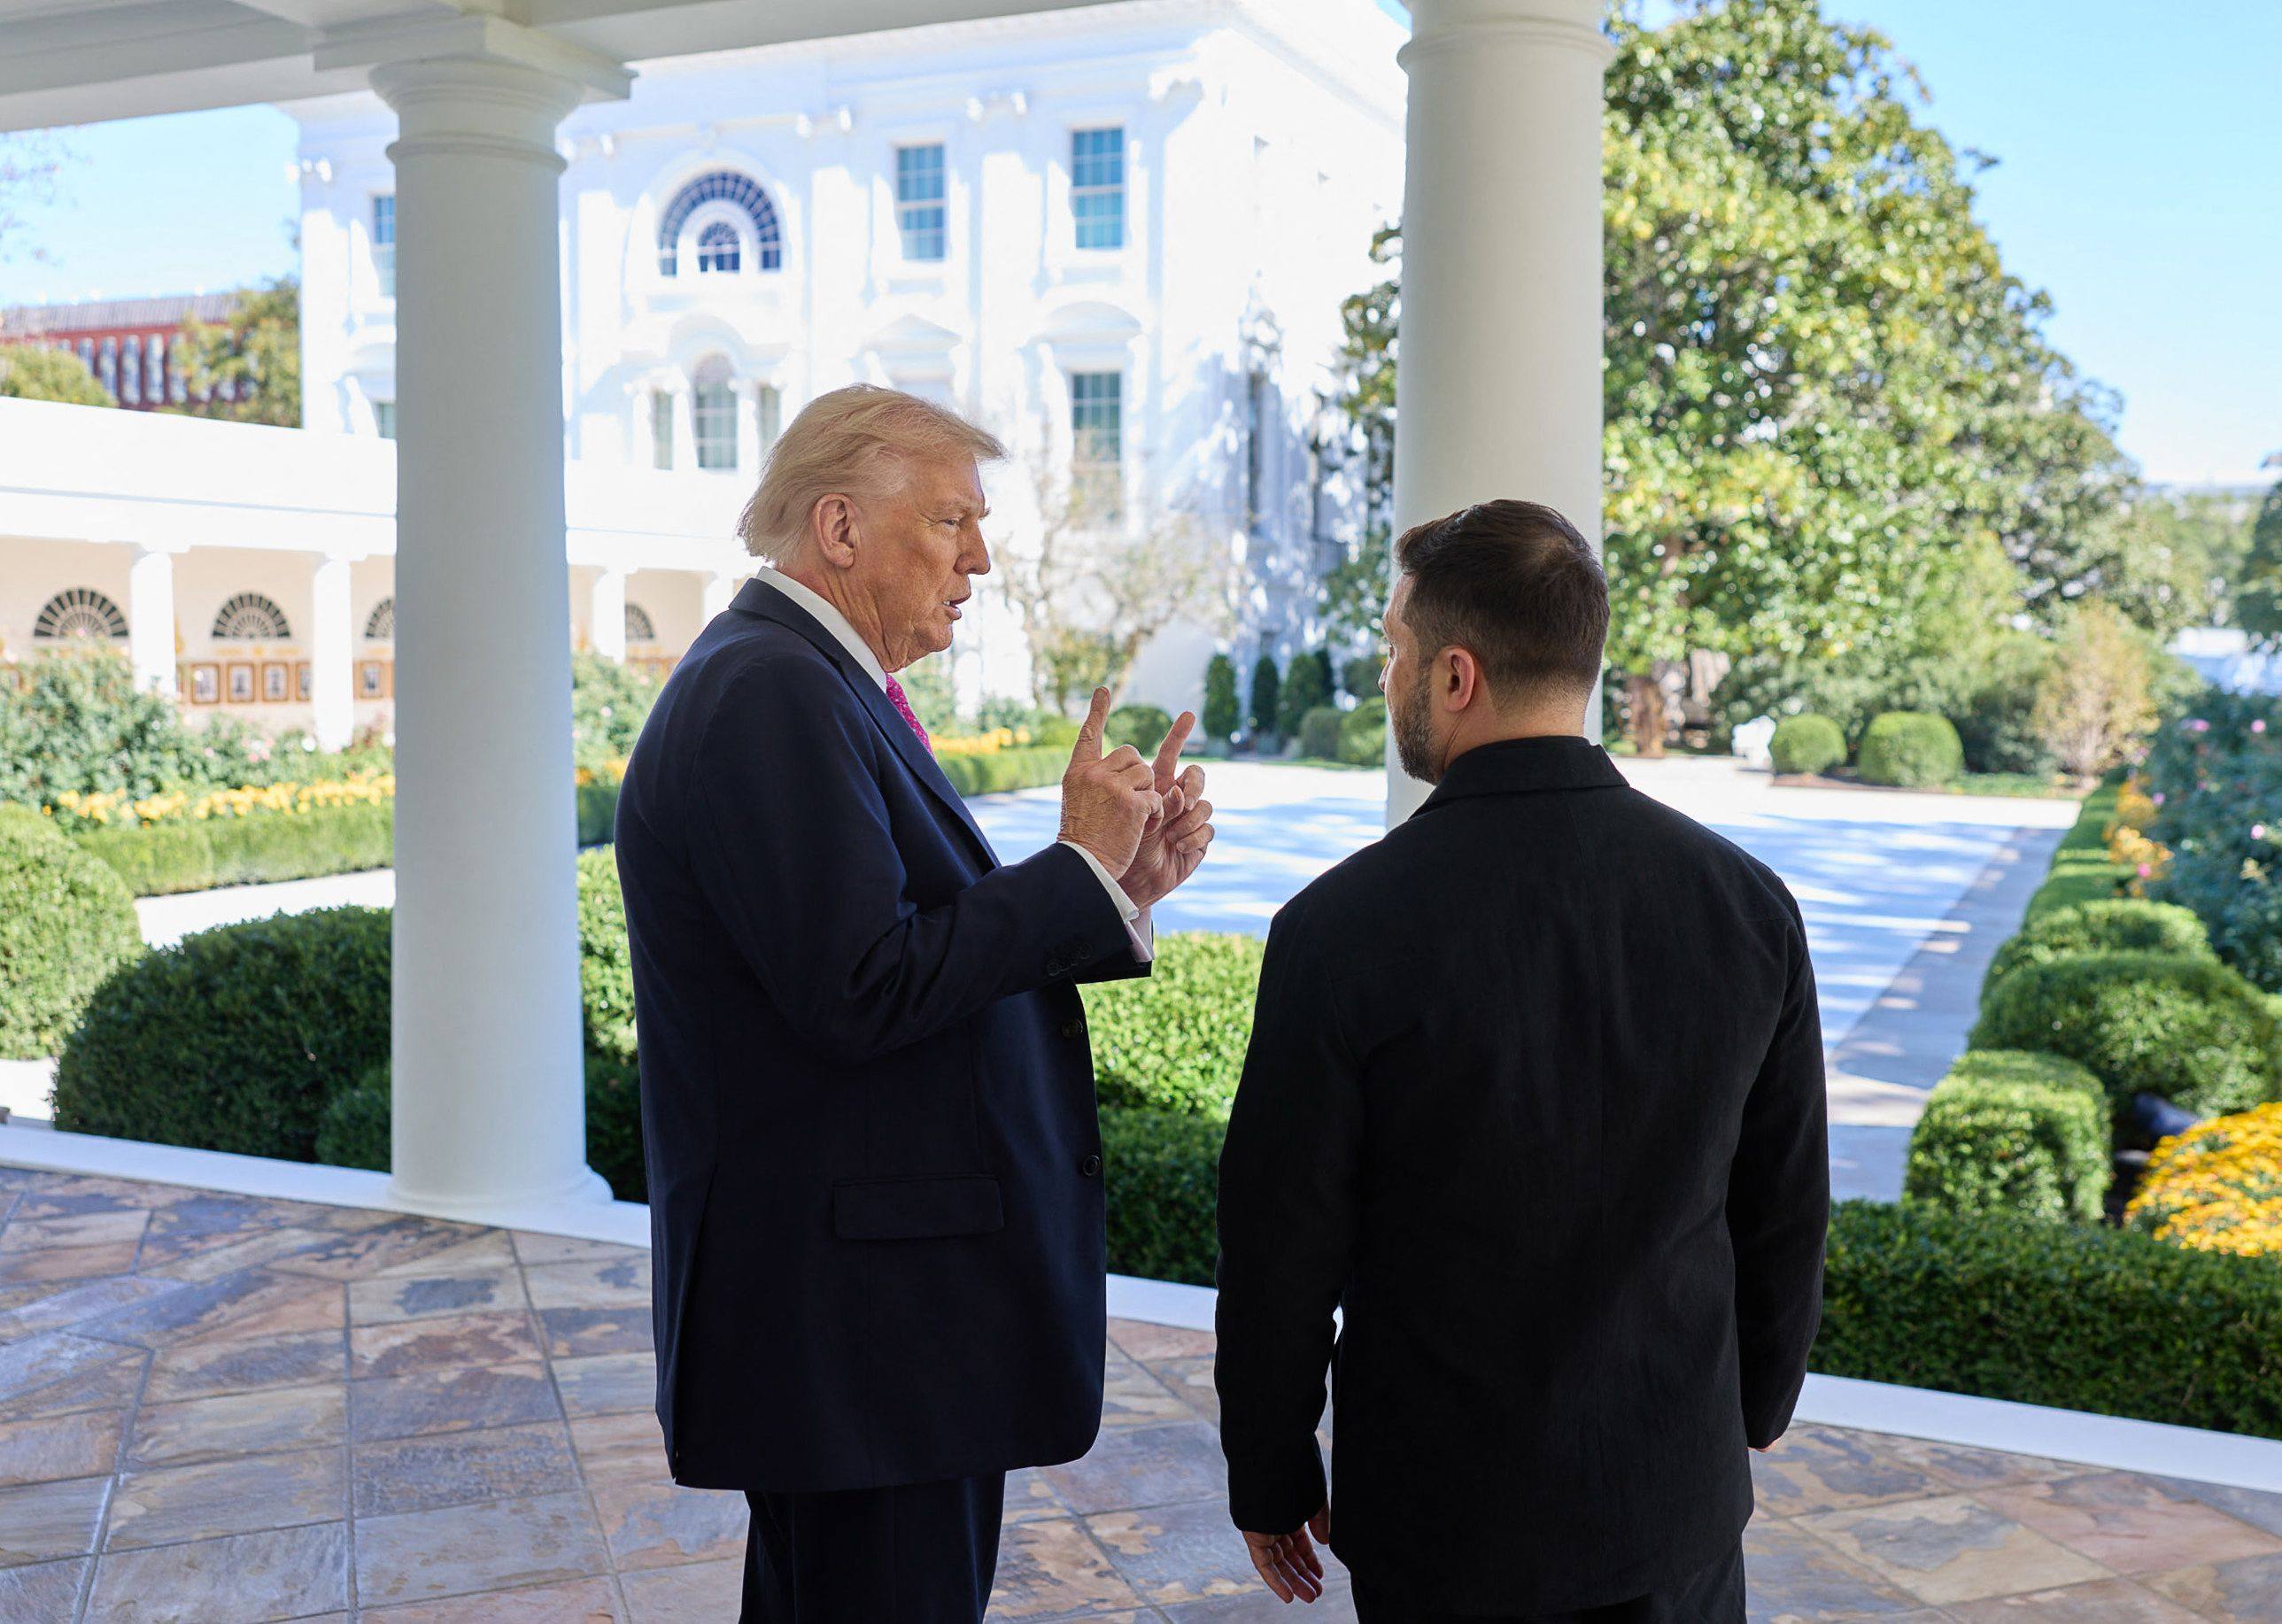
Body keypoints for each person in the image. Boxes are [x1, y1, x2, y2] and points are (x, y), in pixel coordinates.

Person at [613, 384, 1216, 1622]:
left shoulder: (800, 679)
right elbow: (862, 986)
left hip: (865, 1329)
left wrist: (1111, 883)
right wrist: (1072, 866)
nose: (978, 558)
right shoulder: (772, 690)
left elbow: (890, 953)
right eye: (951, 520)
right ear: (838, 526)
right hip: (865, 1334)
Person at [1213, 499, 1829, 1622]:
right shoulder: (1747, 906)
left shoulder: (1338, 928)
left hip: (1443, 1515)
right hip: (1671, 1498)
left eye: (1395, 650)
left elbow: (1281, 1245)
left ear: (1456, 676)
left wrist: (1270, 1466)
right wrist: (1749, 1409)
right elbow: (1784, 1208)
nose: (1386, 678)